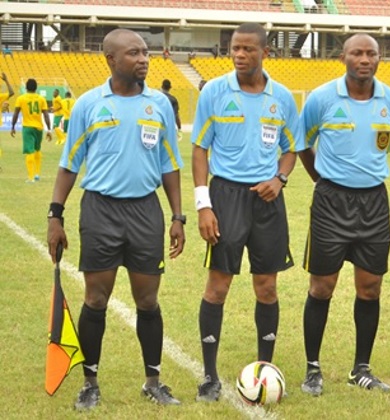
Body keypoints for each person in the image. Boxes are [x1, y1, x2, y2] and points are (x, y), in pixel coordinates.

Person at [46, 28, 185, 410]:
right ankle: (90, 383)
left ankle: (153, 381)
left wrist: (178, 216)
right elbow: (69, 165)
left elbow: (170, 165)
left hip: (145, 211)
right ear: (110, 59)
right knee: (96, 297)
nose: (144, 59)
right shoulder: (89, 104)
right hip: (100, 211)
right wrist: (54, 216)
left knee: (148, 300)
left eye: (145, 52)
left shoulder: (159, 105)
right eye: (134, 53)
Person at [191, 22, 304, 402]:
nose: (239, 55)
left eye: (247, 49)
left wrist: (281, 178)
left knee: (266, 286)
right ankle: (209, 375)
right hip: (225, 197)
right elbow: (200, 149)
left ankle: (264, 370)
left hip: (268, 200)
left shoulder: (283, 98)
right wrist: (204, 205)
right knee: (218, 286)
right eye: (234, 49)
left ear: (264, 53)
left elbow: (291, 148)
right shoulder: (215, 92)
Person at [298, 33, 390, 396]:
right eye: (357, 52)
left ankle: (361, 368)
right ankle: (313, 369)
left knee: (370, 288)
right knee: (322, 287)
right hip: (331, 202)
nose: (364, 59)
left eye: (371, 53)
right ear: (343, 56)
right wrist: (322, 179)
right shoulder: (322, 98)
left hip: (374, 202)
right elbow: (302, 143)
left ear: (379, 58)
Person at [11, 78, 52, 182]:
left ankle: (30, 177)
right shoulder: (41, 99)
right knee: (37, 150)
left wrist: (13, 126)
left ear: (26, 87)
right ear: (36, 88)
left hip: (28, 127)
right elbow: (46, 115)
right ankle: (37, 174)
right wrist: (49, 130)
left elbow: (16, 113)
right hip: (39, 128)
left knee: (30, 151)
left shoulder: (21, 98)